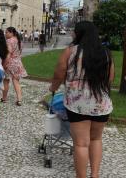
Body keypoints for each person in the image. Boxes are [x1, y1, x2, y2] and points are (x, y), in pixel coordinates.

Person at [49, 21, 114, 178]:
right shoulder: (105, 53)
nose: (72, 34)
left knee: (81, 143)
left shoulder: (70, 51)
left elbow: (59, 74)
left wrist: (53, 87)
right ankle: (95, 175)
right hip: (101, 104)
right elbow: (110, 79)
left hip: (77, 104)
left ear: (79, 34)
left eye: (74, 32)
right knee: (96, 139)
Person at [2, 27, 28, 106]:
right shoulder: (19, 41)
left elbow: (8, 53)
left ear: (12, 33)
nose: (5, 34)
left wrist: (4, 64)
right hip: (18, 62)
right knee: (16, 81)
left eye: (7, 32)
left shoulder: (9, 41)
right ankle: (19, 99)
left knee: (6, 80)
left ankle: (4, 98)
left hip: (10, 62)